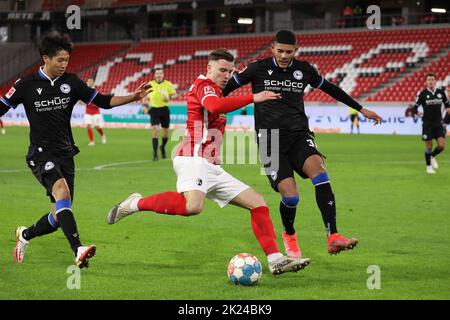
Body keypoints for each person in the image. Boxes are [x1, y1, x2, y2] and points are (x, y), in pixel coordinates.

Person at [106, 49, 311, 276]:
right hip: (193, 158)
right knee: (193, 206)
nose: (226, 75)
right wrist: (254, 97)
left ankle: (276, 259)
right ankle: (135, 203)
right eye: (222, 70)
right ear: (209, 68)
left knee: (258, 203)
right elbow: (213, 106)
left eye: (230, 71)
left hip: (210, 164)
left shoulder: (217, 90)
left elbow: (214, 119)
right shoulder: (204, 86)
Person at [223, 30, 382, 258]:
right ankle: (289, 233)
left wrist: (361, 108)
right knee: (291, 197)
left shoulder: (304, 70)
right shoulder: (257, 68)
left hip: (299, 135)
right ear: (273, 49)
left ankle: (333, 236)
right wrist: (206, 104)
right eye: (280, 51)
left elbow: (331, 89)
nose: (285, 55)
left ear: (296, 50)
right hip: (270, 140)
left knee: (320, 172)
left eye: (289, 51)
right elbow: (225, 89)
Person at [0, 31, 151, 268]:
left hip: (66, 153)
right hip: (40, 154)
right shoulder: (25, 85)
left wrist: (134, 96)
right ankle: (78, 250)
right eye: (59, 60)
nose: (64, 65)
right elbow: (2, 106)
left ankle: (25, 235)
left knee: (60, 215)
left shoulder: (71, 82)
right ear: (45, 58)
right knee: (62, 193)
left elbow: (102, 100)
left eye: (66, 60)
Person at [412, 73, 450, 174]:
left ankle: (432, 156)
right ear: (426, 82)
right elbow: (414, 108)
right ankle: (428, 167)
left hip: (438, 124)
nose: (431, 81)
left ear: (435, 81)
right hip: (427, 124)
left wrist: (448, 109)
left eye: (432, 79)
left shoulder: (441, 92)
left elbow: (447, 104)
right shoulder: (422, 93)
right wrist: (419, 114)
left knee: (441, 146)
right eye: (428, 80)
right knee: (428, 147)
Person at [142, 68, 177, 160]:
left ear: (163, 74)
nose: (159, 75)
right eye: (157, 73)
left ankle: (162, 147)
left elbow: (174, 94)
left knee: (165, 133)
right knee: (155, 130)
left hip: (164, 110)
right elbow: (145, 97)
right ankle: (155, 154)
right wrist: (144, 107)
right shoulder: (150, 84)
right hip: (154, 110)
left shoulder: (168, 84)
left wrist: (169, 97)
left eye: (160, 73)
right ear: (154, 75)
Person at [83, 78, 107, 146]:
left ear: (93, 82)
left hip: (96, 111)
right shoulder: (85, 90)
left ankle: (102, 135)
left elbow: (100, 100)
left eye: (90, 81)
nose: (89, 82)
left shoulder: (97, 91)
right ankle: (92, 141)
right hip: (88, 111)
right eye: (88, 81)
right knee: (88, 126)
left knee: (97, 126)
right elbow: (82, 99)